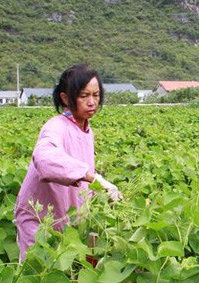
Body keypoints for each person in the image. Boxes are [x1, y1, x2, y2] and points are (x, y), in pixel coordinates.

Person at [14, 63, 122, 261]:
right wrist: (93, 176)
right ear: (65, 98)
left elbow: (81, 178)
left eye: (96, 95)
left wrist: (103, 193)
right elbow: (45, 158)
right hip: (40, 220)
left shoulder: (87, 131)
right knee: (35, 276)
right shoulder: (56, 127)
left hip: (66, 219)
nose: (92, 102)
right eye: (83, 96)